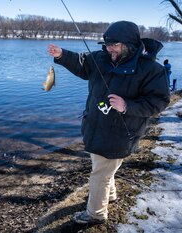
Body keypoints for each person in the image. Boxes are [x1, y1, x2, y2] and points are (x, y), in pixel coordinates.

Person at [47, 21, 170, 225]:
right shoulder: (101, 57)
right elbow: (81, 63)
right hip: (95, 126)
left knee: (100, 174)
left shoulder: (151, 69)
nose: (109, 49)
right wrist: (61, 54)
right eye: (107, 45)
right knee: (102, 167)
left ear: (129, 45)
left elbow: (159, 101)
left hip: (121, 132)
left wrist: (127, 106)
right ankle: (109, 195)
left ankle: (95, 214)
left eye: (114, 45)